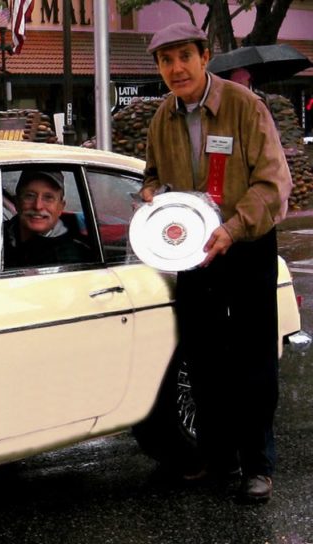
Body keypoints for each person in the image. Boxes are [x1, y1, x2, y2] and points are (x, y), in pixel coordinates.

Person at [140, 23, 292, 501]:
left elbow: (274, 184)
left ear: (205, 57)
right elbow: (152, 173)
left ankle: (257, 465)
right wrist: (151, 193)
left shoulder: (246, 107)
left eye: (184, 56)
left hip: (245, 245)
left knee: (252, 358)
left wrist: (232, 228)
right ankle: (217, 457)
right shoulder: (162, 117)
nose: (176, 68)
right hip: (195, 253)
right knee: (203, 357)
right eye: (166, 60)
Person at [3, 170, 91, 268]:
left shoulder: (70, 260)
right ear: (17, 202)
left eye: (48, 197)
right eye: (30, 196)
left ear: (61, 207)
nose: (38, 206)